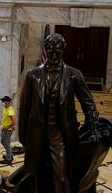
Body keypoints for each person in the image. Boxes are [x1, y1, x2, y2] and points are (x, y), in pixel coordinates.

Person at [18, 33, 99, 193]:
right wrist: (22, 135)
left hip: (60, 133)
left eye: (58, 50)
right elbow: (24, 108)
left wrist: (94, 126)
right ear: (45, 50)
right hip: (37, 132)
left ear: (63, 50)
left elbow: (88, 103)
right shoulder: (32, 76)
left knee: (61, 176)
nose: (54, 54)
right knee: (36, 174)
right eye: (50, 50)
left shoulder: (74, 75)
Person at [0, 96, 15, 165]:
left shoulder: (10, 110)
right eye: (2, 101)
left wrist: (7, 127)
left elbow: (14, 122)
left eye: (4, 101)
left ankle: (8, 159)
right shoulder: (6, 108)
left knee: (7, 144)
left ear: (8, 102)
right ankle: (9, 154)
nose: (3, 102)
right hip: (4, 129)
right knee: (3, 142)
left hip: (7, 130)